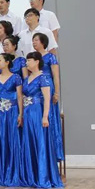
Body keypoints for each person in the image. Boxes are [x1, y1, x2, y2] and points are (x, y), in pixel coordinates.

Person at [20, 52, 63, 188]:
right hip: (27, 113)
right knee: (29, 141)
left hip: (37, 112)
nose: (27, 63)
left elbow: (47, 99)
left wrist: (45, 116)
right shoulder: (26, 79)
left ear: (37, 61)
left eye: (29, 60)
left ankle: (42, 175)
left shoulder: (43, 78)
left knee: (40, 141)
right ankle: (31, 175)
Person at [0, 53, 23, 187]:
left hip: (12, 112)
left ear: (7, 62)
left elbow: (19, 97)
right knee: (0, 139)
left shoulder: (16, 77)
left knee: (12, 140)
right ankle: (0, 173)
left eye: (0, 60)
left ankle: (13, 173)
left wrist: (20, 114)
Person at [32, 33, 64, 161]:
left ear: (43, 42)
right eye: (33, 40)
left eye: (36, 40)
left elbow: (55, 76)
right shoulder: (32, 57)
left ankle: (52, 150)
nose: (34, 42)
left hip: (47, 87)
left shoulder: (51, 57)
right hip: (35, 89)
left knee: (48, 114)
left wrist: (56, 93)